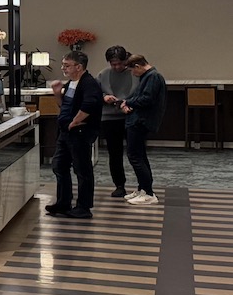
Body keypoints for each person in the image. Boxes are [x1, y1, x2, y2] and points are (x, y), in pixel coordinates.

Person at [47, 50, 104, 220]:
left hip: (79, 132)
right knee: (59, 165)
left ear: (79, 67)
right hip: (65, 133)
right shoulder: (70, 83)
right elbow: (63, 105)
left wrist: (75, 122)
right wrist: (57, 93)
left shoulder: (89, 83)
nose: (63, 68)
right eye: (63, 65)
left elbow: (89, 105)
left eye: (67, 65)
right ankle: (63, 202)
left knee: (82, 169)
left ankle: (84, 207)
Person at [114, 54, 168, 206]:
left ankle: (148, 192)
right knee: (139, 156)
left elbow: (146, 99)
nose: (132, 74)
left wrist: (127, 102)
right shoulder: (149, 77)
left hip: (140, 121)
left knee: (136, 157)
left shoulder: (153, 77)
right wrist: (128, 103)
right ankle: (142, 189)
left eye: (132, 70)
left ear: (137, 66)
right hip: (137, 120)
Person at [98, 46, 134, 198]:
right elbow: (95, 93)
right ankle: (119, 185)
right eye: (113, 64)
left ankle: (143, 186)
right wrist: (104, 97)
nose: (117, 67)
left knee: (135, 153)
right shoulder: (103, 74)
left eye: (120, 63)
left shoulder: (133, 73)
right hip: (109, 117)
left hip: (130, 116)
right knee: (114, 154)